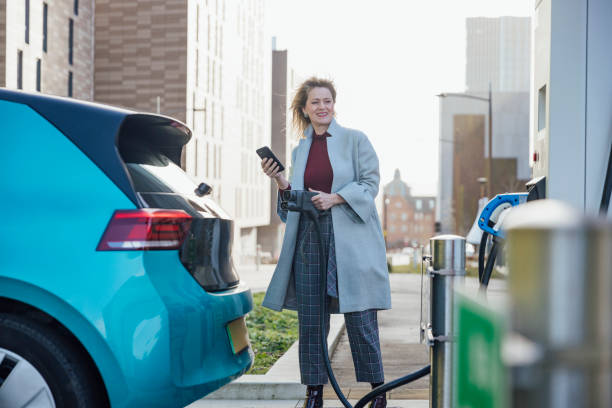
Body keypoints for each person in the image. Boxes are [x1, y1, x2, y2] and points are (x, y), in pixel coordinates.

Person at [260, 77, 391, 408]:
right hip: (309, 239)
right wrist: (279, 179)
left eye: (327, 101)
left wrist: (336, 198)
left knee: (360, 317)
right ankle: (314, 392)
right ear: (304, 109)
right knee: (311, 318)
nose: (322, 107)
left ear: (334, 105)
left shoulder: (355, 140)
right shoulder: (300, 149)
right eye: (315, 102)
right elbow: (294, 205)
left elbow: (370, 183)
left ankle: (378, 389)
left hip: (350, 239)